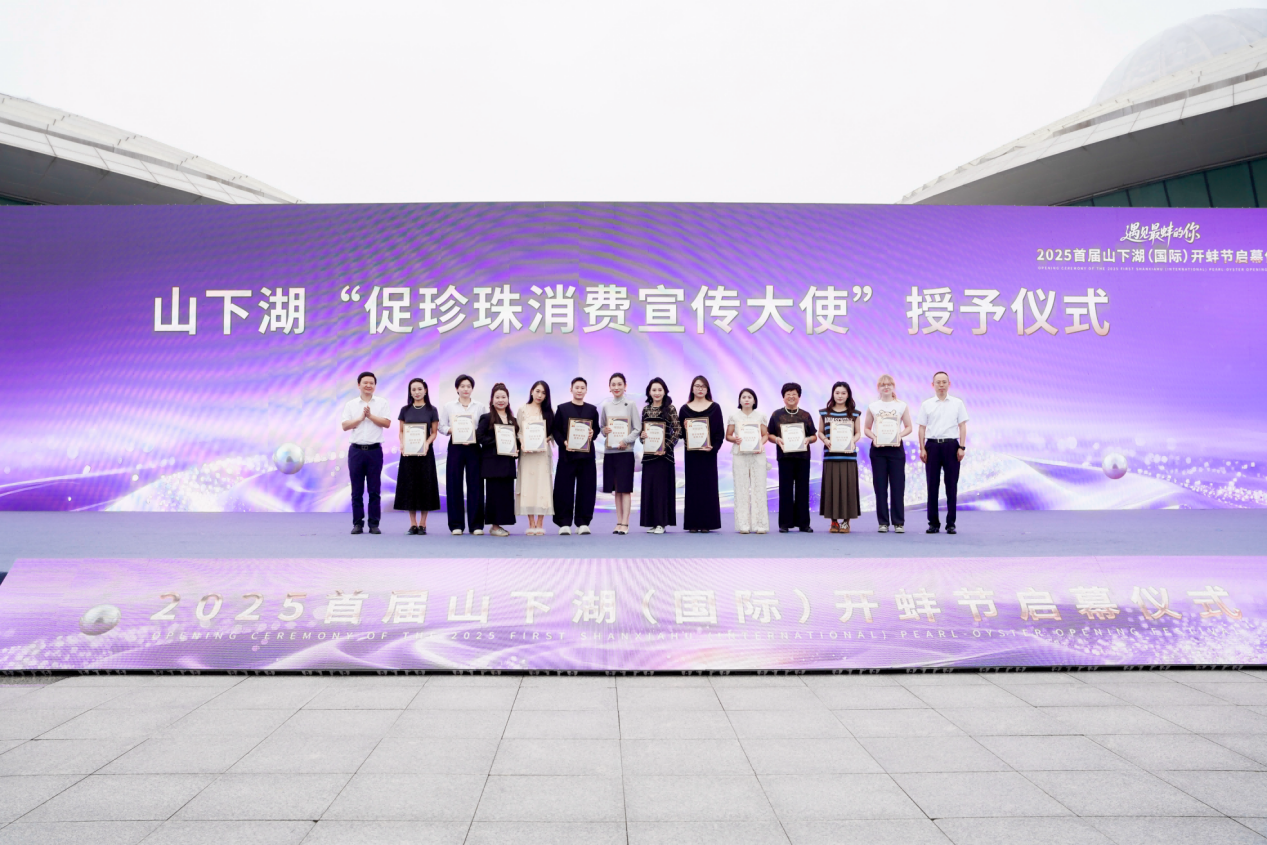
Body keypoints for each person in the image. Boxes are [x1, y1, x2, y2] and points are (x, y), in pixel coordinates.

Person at [339, 371, 392, 534]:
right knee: (356, 490)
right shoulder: (351, 404)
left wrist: (370, 416)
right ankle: (357, 523)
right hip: (356, 451)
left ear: (375, 386)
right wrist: (361, 418)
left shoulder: (382, 403)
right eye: (365, 382)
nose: (368, 385)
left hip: (374, 451)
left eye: (371, 383)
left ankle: (374, 524)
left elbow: (387, 423)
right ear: (359, 385)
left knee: (374, 490)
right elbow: (345, 426)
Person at [917, 371, 969, 534]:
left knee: (951, 485)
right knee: (932, 485)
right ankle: (933, 523)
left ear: (949, 384)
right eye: (938, 382)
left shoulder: (957, 403)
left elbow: (962, 426)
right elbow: (922, 428)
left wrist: (962, 447)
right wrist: (922, 448)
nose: (941, 385)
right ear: (932, 385)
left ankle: (951, 523)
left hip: (951, 446)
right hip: (932, 446)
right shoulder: (926, 404)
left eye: (944, 382)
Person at [863, 374, 912, 534]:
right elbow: (866, 429)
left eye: (889, 384)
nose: (886, 387)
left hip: (896, 449)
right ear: (878, 388)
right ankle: (883, 522)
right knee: (880, 487)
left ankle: (898, 522)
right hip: (878, 450)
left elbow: (909, 427)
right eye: (883, 385)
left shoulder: (901, 406)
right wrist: (874, 438)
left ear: (893, 387)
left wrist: (899, 436)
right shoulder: (873, 406)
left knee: (898, 487)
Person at [551, 377, 601, 535]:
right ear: (571, 389)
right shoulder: (562, 409)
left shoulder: (592, 410)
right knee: (563, 488)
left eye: (582, 388)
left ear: (586, 390)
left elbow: (596, 429)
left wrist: (593, 433)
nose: (579, 390)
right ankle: (564, 523)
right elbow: (555, 430)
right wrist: (564, 442)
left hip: (587, 456)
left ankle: (583, 522)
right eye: (576, 387)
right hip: (567, 455)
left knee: (587, 488)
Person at [439, 374, 488, 536]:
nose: (465, 389)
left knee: (476, 484)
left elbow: (484, 427)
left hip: (474, 447)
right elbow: (441, 426)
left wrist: (474, 436)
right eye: (462, 386)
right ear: (457, 388)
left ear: (472, 389)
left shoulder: (479, 407)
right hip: (456, 446)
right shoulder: (449, 406)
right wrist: (451, 430)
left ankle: (476, 525)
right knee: (454, 484)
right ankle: (456, 525)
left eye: (468, 386)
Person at [767, 382, 818, 533]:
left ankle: (804, 524)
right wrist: (777, 439)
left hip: (803, 457)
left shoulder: (805, 415)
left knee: (803, 489)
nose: (791, 396)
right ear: (783, 397)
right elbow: (769, 435)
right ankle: (785, 523)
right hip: (785, 457)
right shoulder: (776, 415)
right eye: (788, 394)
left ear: (799, 397)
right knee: (785, 489)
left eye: (794, 394)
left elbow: (814, 436)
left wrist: (808, 439)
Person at [393, 378, 441, 534]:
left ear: (425, 390)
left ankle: (423, 524)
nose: (417, 392)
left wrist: (426, 443)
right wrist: (402, 443)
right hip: (408, 454)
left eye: (420, 389)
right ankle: (413, 524)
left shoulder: (432, 410)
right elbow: (401, 431)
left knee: (425, 486)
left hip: (425, 454)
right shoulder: (405, 410)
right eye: (413, 389)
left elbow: (434, 433)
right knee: (410, 487)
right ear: (410, 392)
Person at [680, 375, 725, 533]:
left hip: (708, 455)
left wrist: (713, 448)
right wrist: (684, 428)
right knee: (693, 487)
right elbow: (680, 434)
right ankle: (692, 523)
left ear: (707, 389)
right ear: (692, 388)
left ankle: (707, 523)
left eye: (703, 386)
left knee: (708, 487)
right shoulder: (684, 409)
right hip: (691, 455)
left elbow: (720, 433)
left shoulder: (715, 408)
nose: (700, 389)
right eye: (697, 386)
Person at [599, 372, 640, 535]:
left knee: (625, 489)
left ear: (625, 386)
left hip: (625, 452)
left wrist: (626, 440)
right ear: (609, 387)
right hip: (610, 453)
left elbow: (637, 428)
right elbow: (602, 427)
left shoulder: (631, 405)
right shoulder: (606, 406)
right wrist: (605, 430)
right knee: (616, 489)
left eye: (619, 384)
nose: (616, 387)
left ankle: (625, 523)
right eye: (613, 384)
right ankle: (618, 522)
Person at [639, 377, 680, 534]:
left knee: (662, 489)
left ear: (665, 391)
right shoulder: (646, 410)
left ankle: (662, 523)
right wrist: (642, 436)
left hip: (664, 456)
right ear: (649, 392)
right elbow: (643, 435)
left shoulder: (670, 409)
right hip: (649, 456)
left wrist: (666, 448)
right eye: (654, 390)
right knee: (650, 488)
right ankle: (653, 522)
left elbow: (677, 431)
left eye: (660, 390)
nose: (657, 393)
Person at [819, 381, 862, 533]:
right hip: (830, 457)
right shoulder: (824, 413)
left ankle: (846, 522)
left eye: (843, 393)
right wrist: (825, 440)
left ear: (848, 395)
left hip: (848, 457)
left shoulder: (854, 414)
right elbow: (820, 432)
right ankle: (834, 522)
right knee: (832, 488)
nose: (840, 396)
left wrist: (852, 441)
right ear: (833, 394)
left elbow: (858, 433)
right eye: (837, 393)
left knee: (847, 488)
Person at [725, 388, 769, 534]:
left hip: (757, 455)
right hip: (740, 454)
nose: (746, 399)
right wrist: (735, 439)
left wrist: (761, 443)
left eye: (749, 397)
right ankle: (743, 524)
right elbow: (728, 436)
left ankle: (760, 524)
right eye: (743, 397)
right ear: (740, 400)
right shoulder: (734, 416)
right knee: (741, 488)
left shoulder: (761, 416)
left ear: (754, 400)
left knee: (759, 487)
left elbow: (765, 434)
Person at [476, 383, 518, 537]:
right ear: (492, 400)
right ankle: (494, 526)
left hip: (507, 463)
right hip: (493, 463)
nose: (501, 400)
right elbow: (479, 437)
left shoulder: (513, 419)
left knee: (506, 495)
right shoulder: (486, 418)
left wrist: (517, 450)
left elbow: (516, 441)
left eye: (503, 397)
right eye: (497, 397)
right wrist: (498, 441)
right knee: (494, 495)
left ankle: (500, 524)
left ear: (508, 399)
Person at [516, 380, 555, 536]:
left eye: (543, 393)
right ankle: (531, 523)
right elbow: (518, 431)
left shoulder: (549, 412)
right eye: (538, 391)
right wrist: (523, 442)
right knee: (528, 486)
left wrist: (546, 439)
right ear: (531, 391)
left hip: (542, 454)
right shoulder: (522, 409)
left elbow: (552, 433)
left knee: (542, 486)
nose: (540, 395)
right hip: (527, 454)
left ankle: (540, 523)